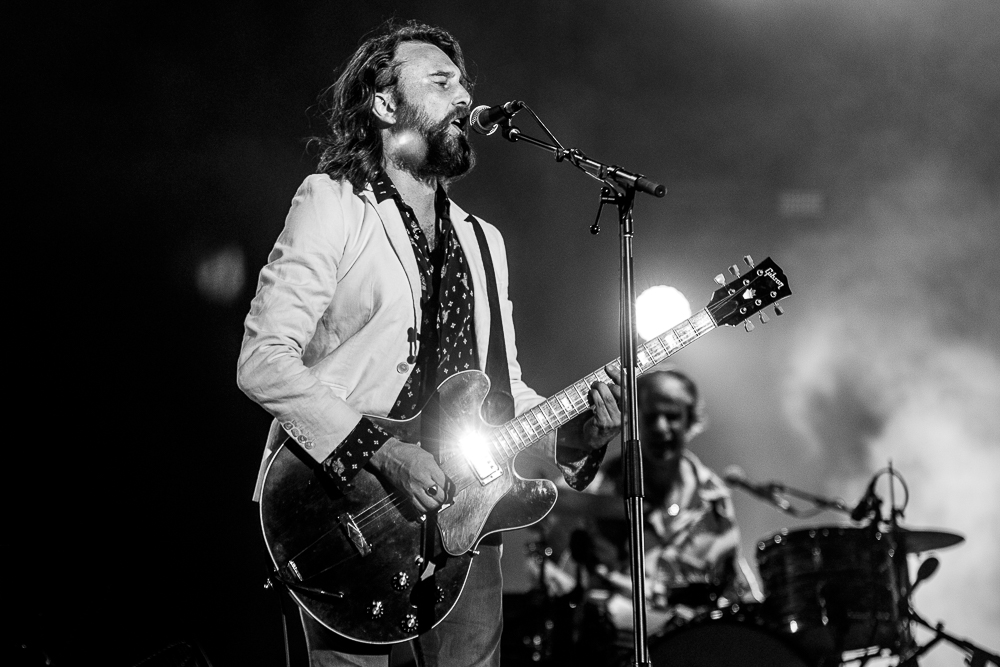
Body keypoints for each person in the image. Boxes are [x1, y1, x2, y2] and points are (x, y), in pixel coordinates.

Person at [236, 20, 621, 667]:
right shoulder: (333, 203)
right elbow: (262, 362)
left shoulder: (484, 241)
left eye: (464, 83)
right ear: (386, 105)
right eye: (441, 82)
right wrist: (386, 453)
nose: (465, 97)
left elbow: (504, 389)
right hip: (347, 503)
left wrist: (576, 437)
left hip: (468, 514)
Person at [531, 368, 760, 644]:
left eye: (672, 416)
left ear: (690, 421)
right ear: (634, 420)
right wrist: (612, 508)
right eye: (651, 417)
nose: (661, 427)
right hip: (619, 641)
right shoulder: (603, 482)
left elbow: (734, 582)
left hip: (694, 642)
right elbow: (544, 501)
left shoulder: (713, 496)